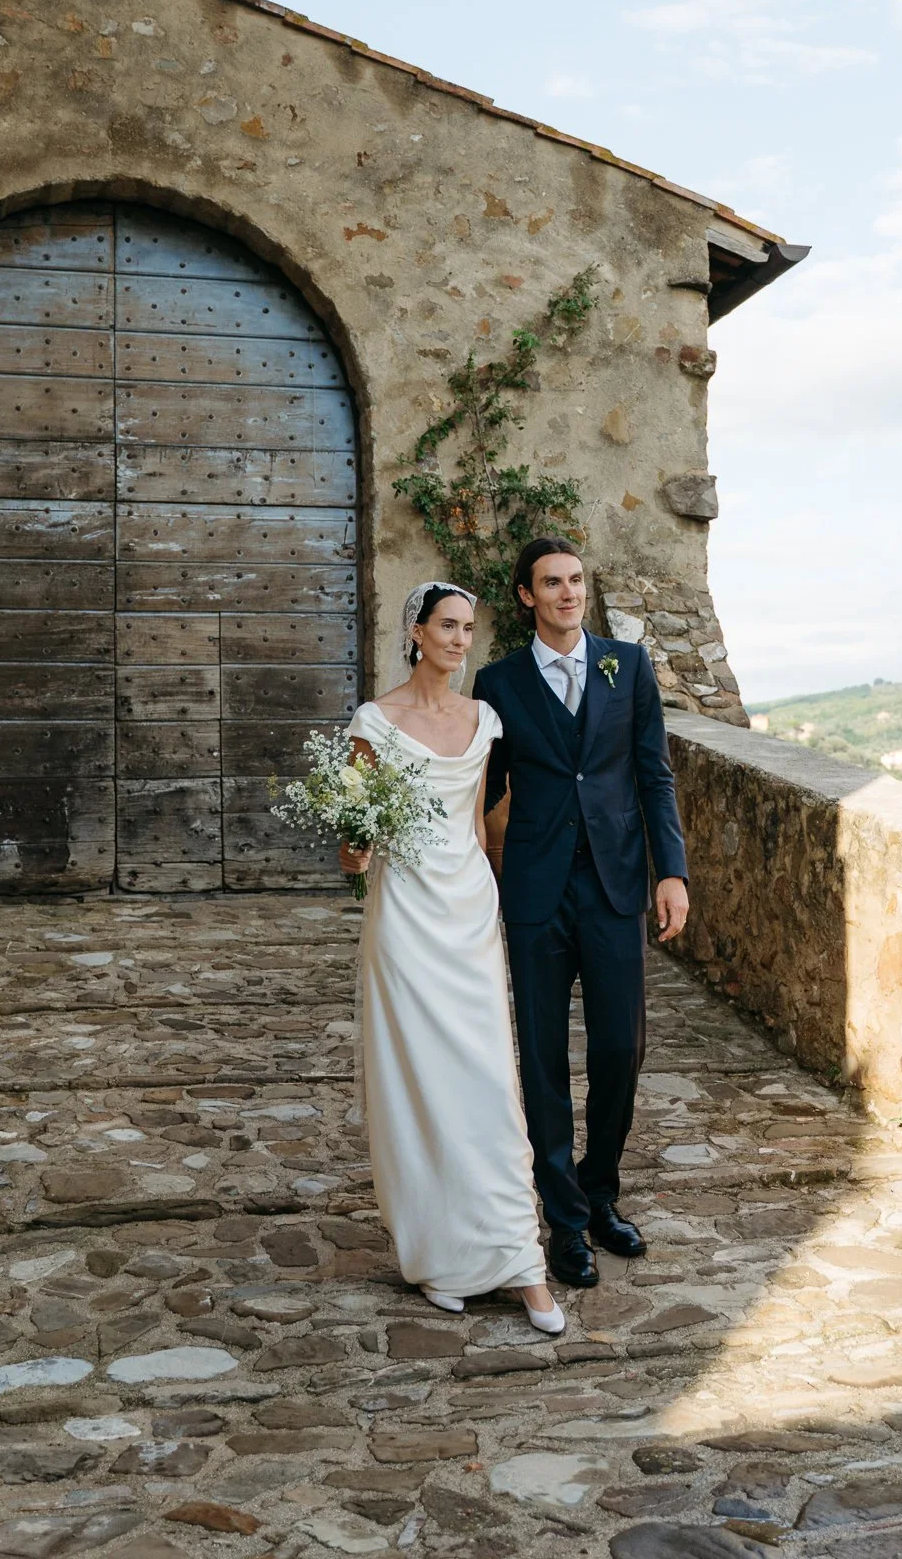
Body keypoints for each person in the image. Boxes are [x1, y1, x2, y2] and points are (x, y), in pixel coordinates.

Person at [340, 580, 564, 1334]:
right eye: (447, 627)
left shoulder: (484, 719)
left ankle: (522, 1263)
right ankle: (440, 1255)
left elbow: (475, 826)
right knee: (421, 1085)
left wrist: (505, 903)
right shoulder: (374, 721)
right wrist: (354, 838)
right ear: (416, 633)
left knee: (490, 1085)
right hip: (403, 915)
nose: (461, 641)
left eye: (469, 629)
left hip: (468, 914)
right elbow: (351, 852)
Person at [473, 537, 689, 1290]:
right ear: (526, 596)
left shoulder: (625, 666)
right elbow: (480, 788)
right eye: (551, 584)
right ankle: (564, 1221)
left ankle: (601, 1192)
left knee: (620, 1049)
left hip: (616, 885)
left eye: (575, 580)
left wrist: (674, 873)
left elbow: (654, 775)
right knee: (542, 1060)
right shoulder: (496, 682)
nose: (569, 594)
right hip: (534, 891)